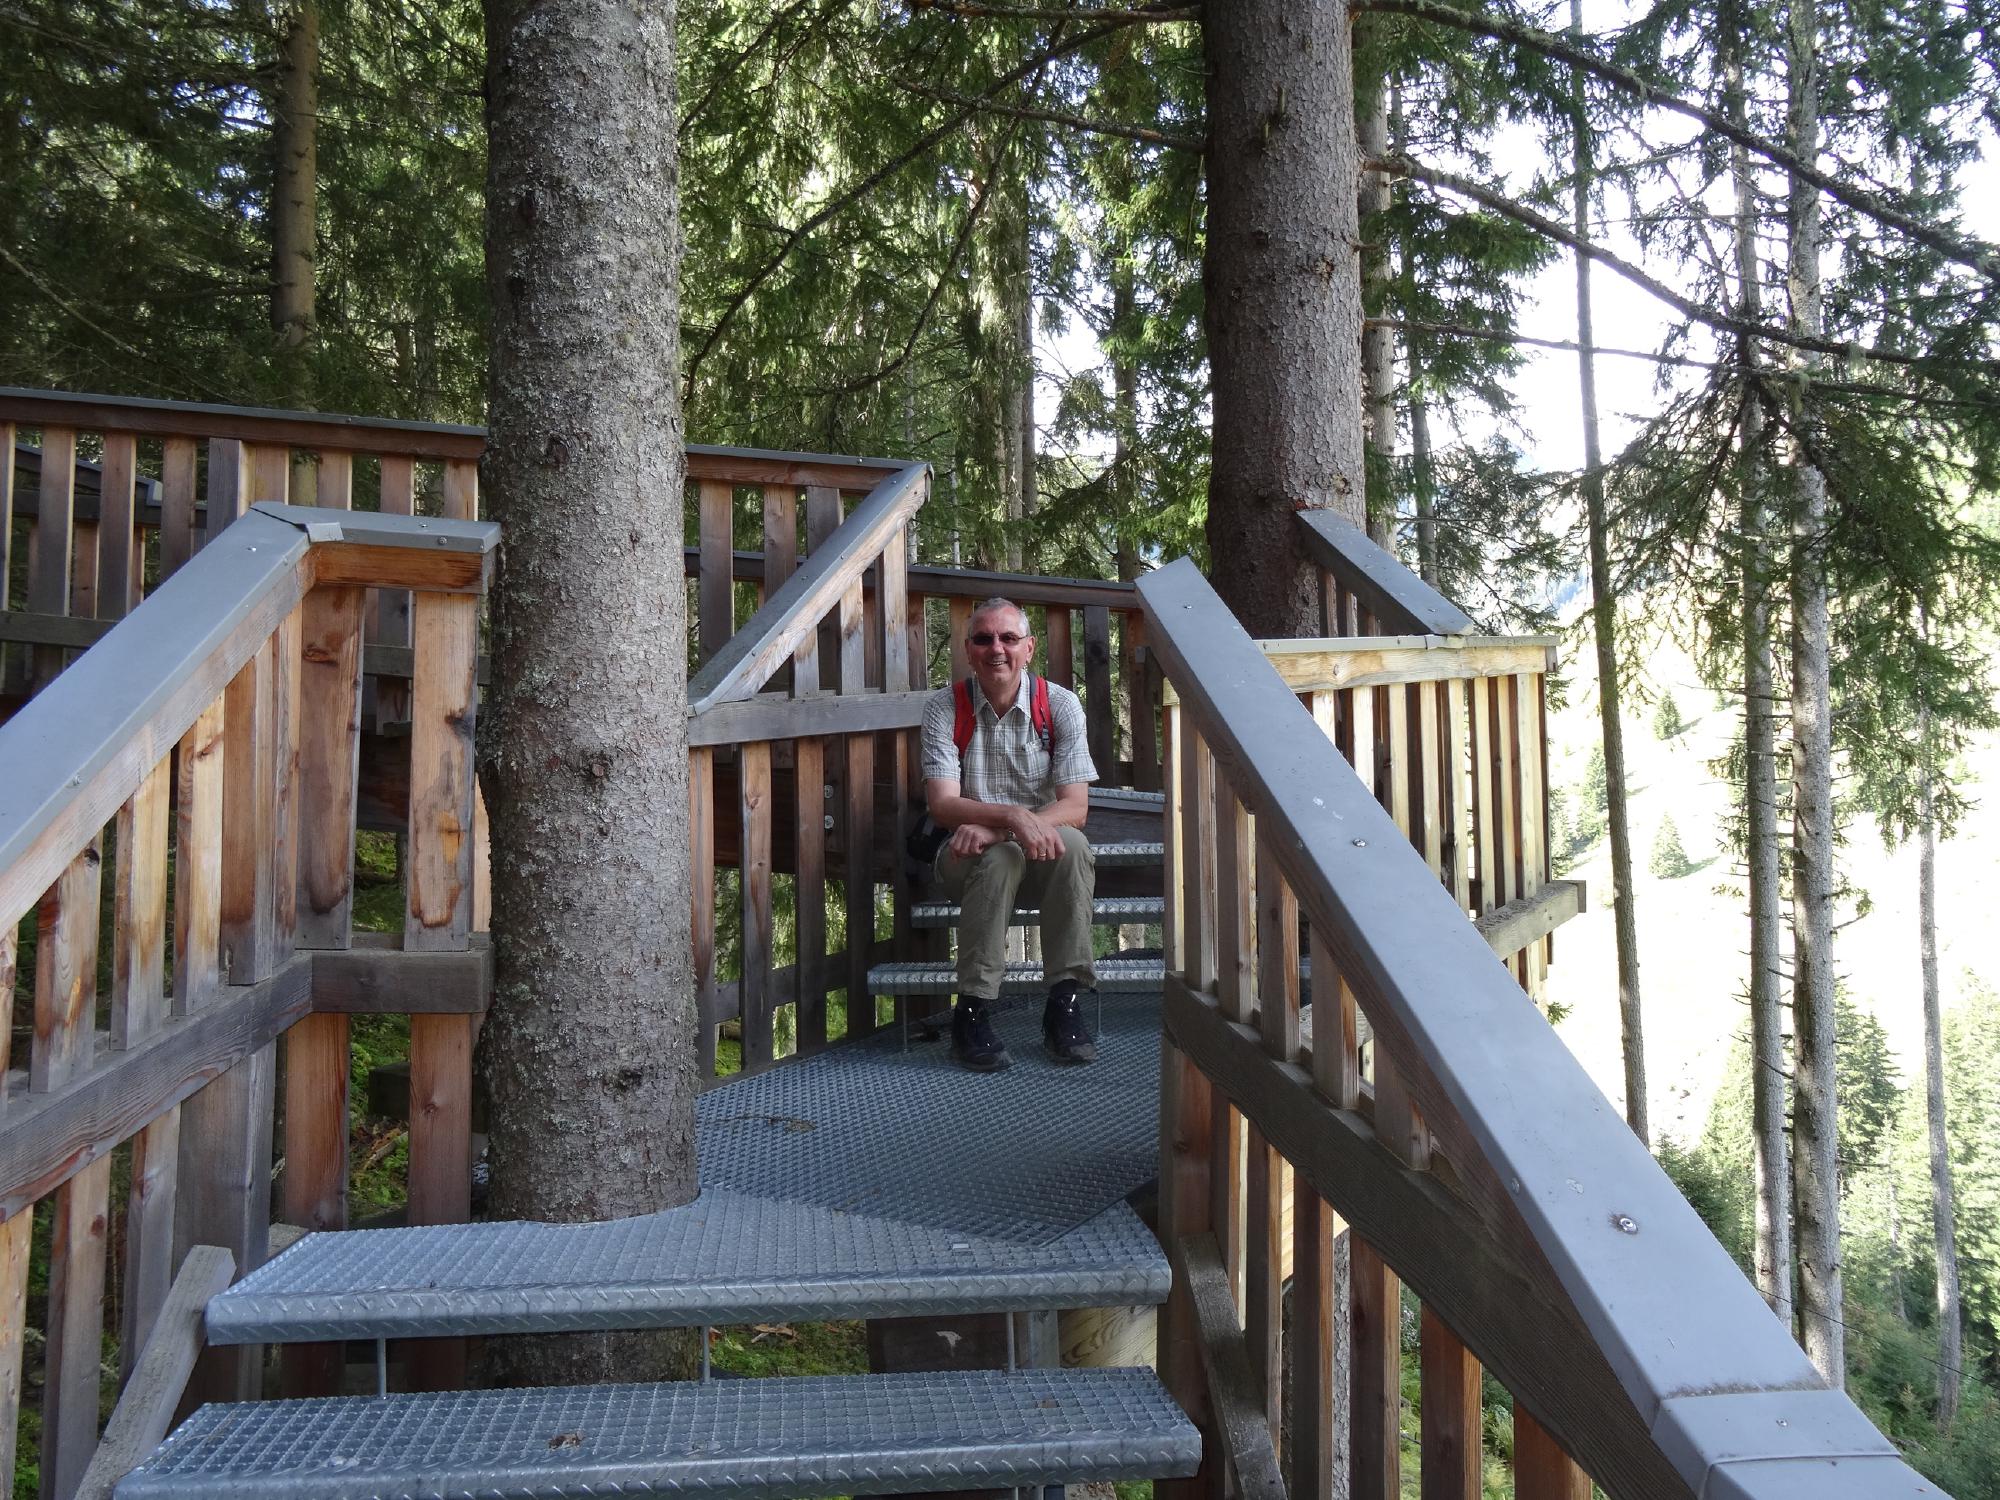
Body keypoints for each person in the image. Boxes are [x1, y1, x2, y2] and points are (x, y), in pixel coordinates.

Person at [921, 597, 1098, 1071]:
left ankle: (1064, 1003)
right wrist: (1015, 818)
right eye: (983, 639)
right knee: (1000, 859)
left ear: (1029, 647)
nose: (996, 649)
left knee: (1073, 845)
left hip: (1035, 857)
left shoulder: (1059, 705)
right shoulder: (944, 707)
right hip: (964, 859)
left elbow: (1076, 807)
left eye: (1008, 638)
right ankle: (972, 1010)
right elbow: (943, 805)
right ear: (968, 649)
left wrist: (1003, 829)